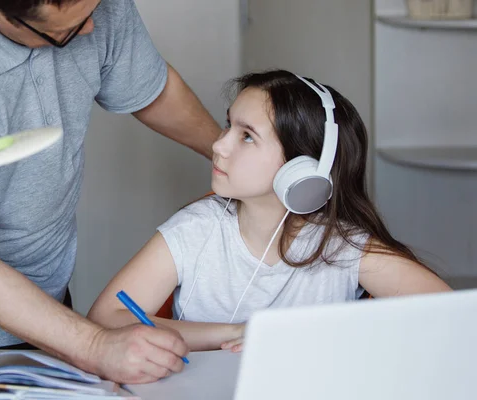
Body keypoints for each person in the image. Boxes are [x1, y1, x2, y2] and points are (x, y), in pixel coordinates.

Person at [0, 0, 222, 382]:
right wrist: (95, 347)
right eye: (66, 33)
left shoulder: (85, 7)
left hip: (47, 284)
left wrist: (223, 152)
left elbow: (148, 85)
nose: (93, 28)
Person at [87, 69, 452, 353]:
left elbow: (448, 316)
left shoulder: (341, 246)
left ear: (304, 170)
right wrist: (236, 334)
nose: (219, 143)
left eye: (247, 136)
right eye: (230, 125)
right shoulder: (196, 229)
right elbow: (104, 320)